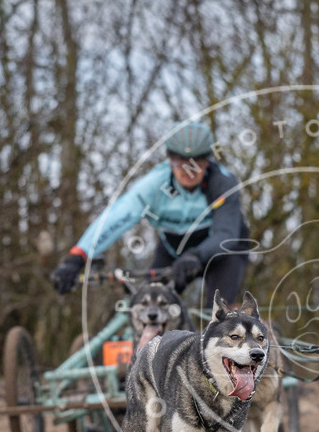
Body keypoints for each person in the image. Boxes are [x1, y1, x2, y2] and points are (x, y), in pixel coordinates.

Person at [49, 120, 250, 304]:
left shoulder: (223, 183)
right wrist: (77, 257)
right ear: (170, 160)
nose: (189, 171)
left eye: (196, 163)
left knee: (219, 315)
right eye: (181, 162)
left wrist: (197, 255)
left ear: (207, 162)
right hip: (173, 250)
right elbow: (116, 217)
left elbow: (226, 233)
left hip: (222, 253)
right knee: (147, 306)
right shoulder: (154, 185)